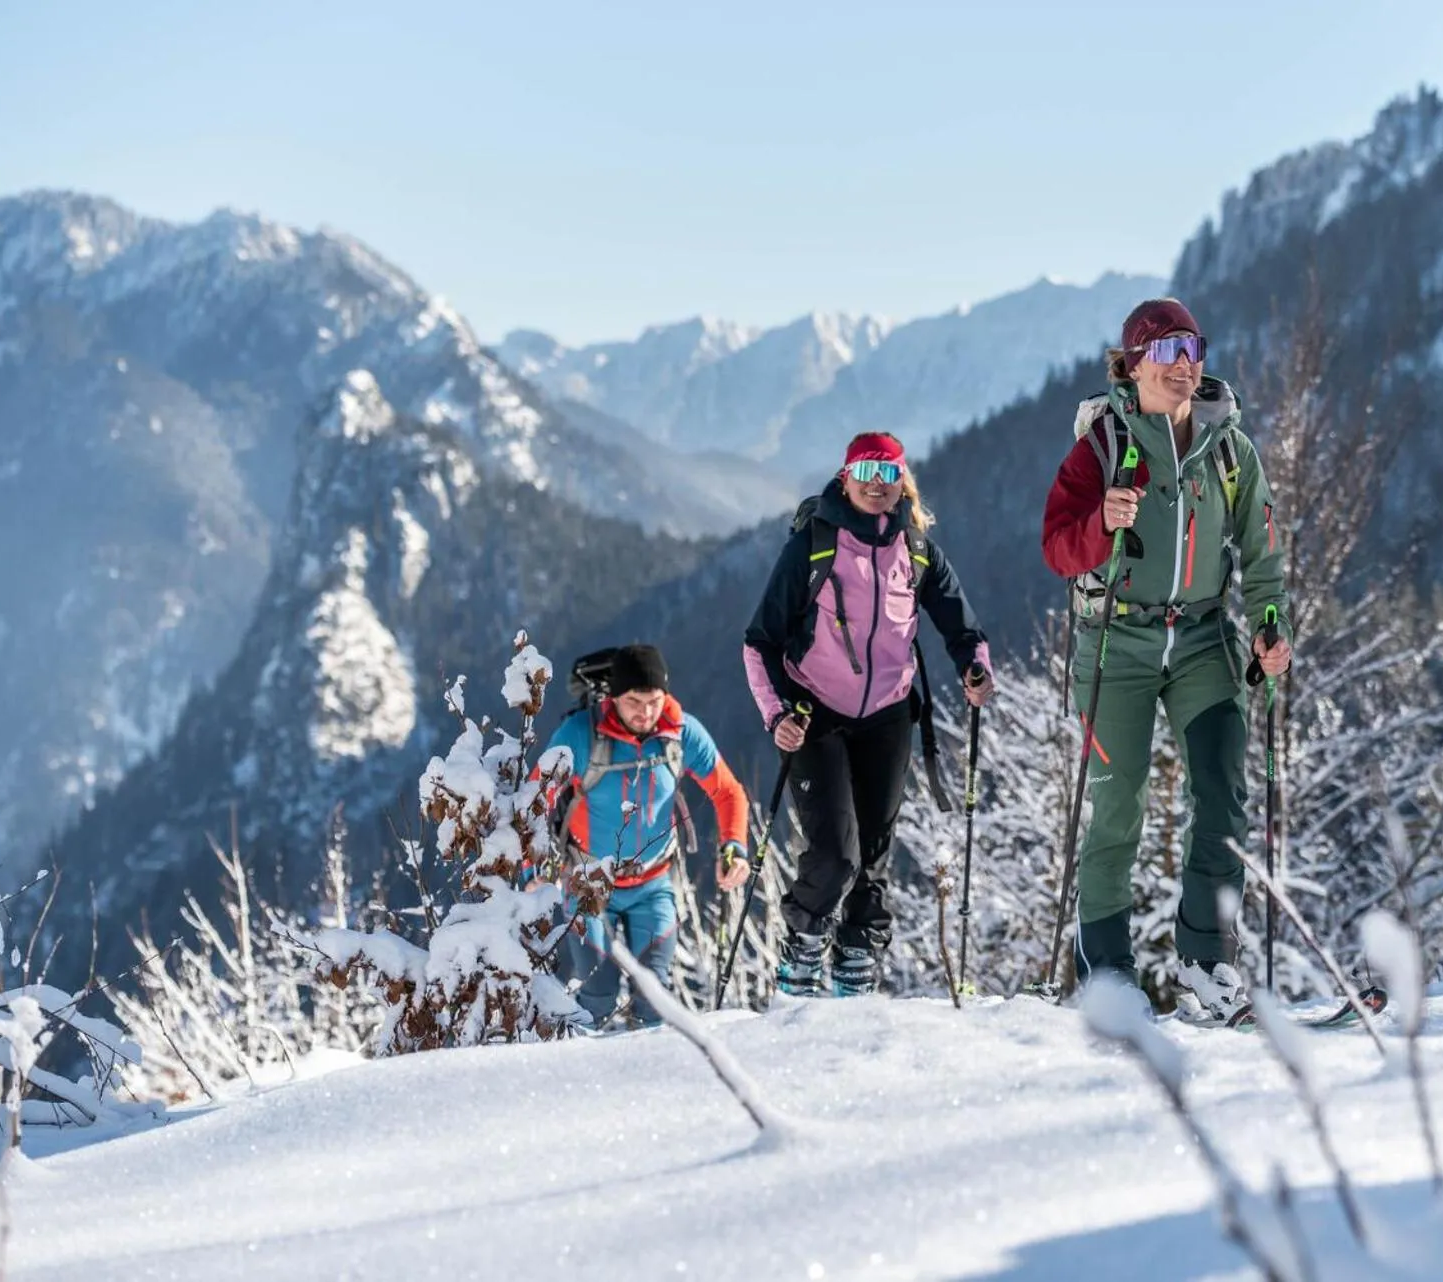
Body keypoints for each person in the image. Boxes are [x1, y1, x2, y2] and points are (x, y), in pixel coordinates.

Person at [1041, 298, 1292, 1022]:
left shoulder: (1229, 449)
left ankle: (1205, 965)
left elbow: (1262, 554)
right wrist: (1099, 524)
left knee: (1220, 796)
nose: (1185, 365)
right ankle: (1108, 977)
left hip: (1204, 638)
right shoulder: (1101, 444)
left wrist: (1270, 625)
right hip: (1116, 640)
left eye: (1194, 349)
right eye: (1168, 351)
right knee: (1115, 807)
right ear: (1133, 363)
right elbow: (1057, 545)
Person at [744, 432, 993, 997]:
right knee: (835, 855)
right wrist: (776, 713)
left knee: (874, 856)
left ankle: (856, 968)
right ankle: (802, 954)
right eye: (866, 474)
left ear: (902, 481)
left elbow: (962, 625)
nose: (877, 487)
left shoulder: (918, 548)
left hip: (887, 717)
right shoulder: (815, 543)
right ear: (845, 476)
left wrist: (975, 667)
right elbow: (759, 642)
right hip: (815, 714)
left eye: (888, 476)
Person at [542, 643, 751, 1028]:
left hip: (654, 885)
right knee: (596, 996)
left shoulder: (682, 734)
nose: (646, 712)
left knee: (654, 1000)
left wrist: (734, 845)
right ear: (614, 698)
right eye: (634, 701)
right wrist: (529, 872)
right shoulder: (579, 735)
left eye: (655, 700)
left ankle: (647, 1086)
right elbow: (535, 799)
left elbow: (728, 791)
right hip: (589, 882)